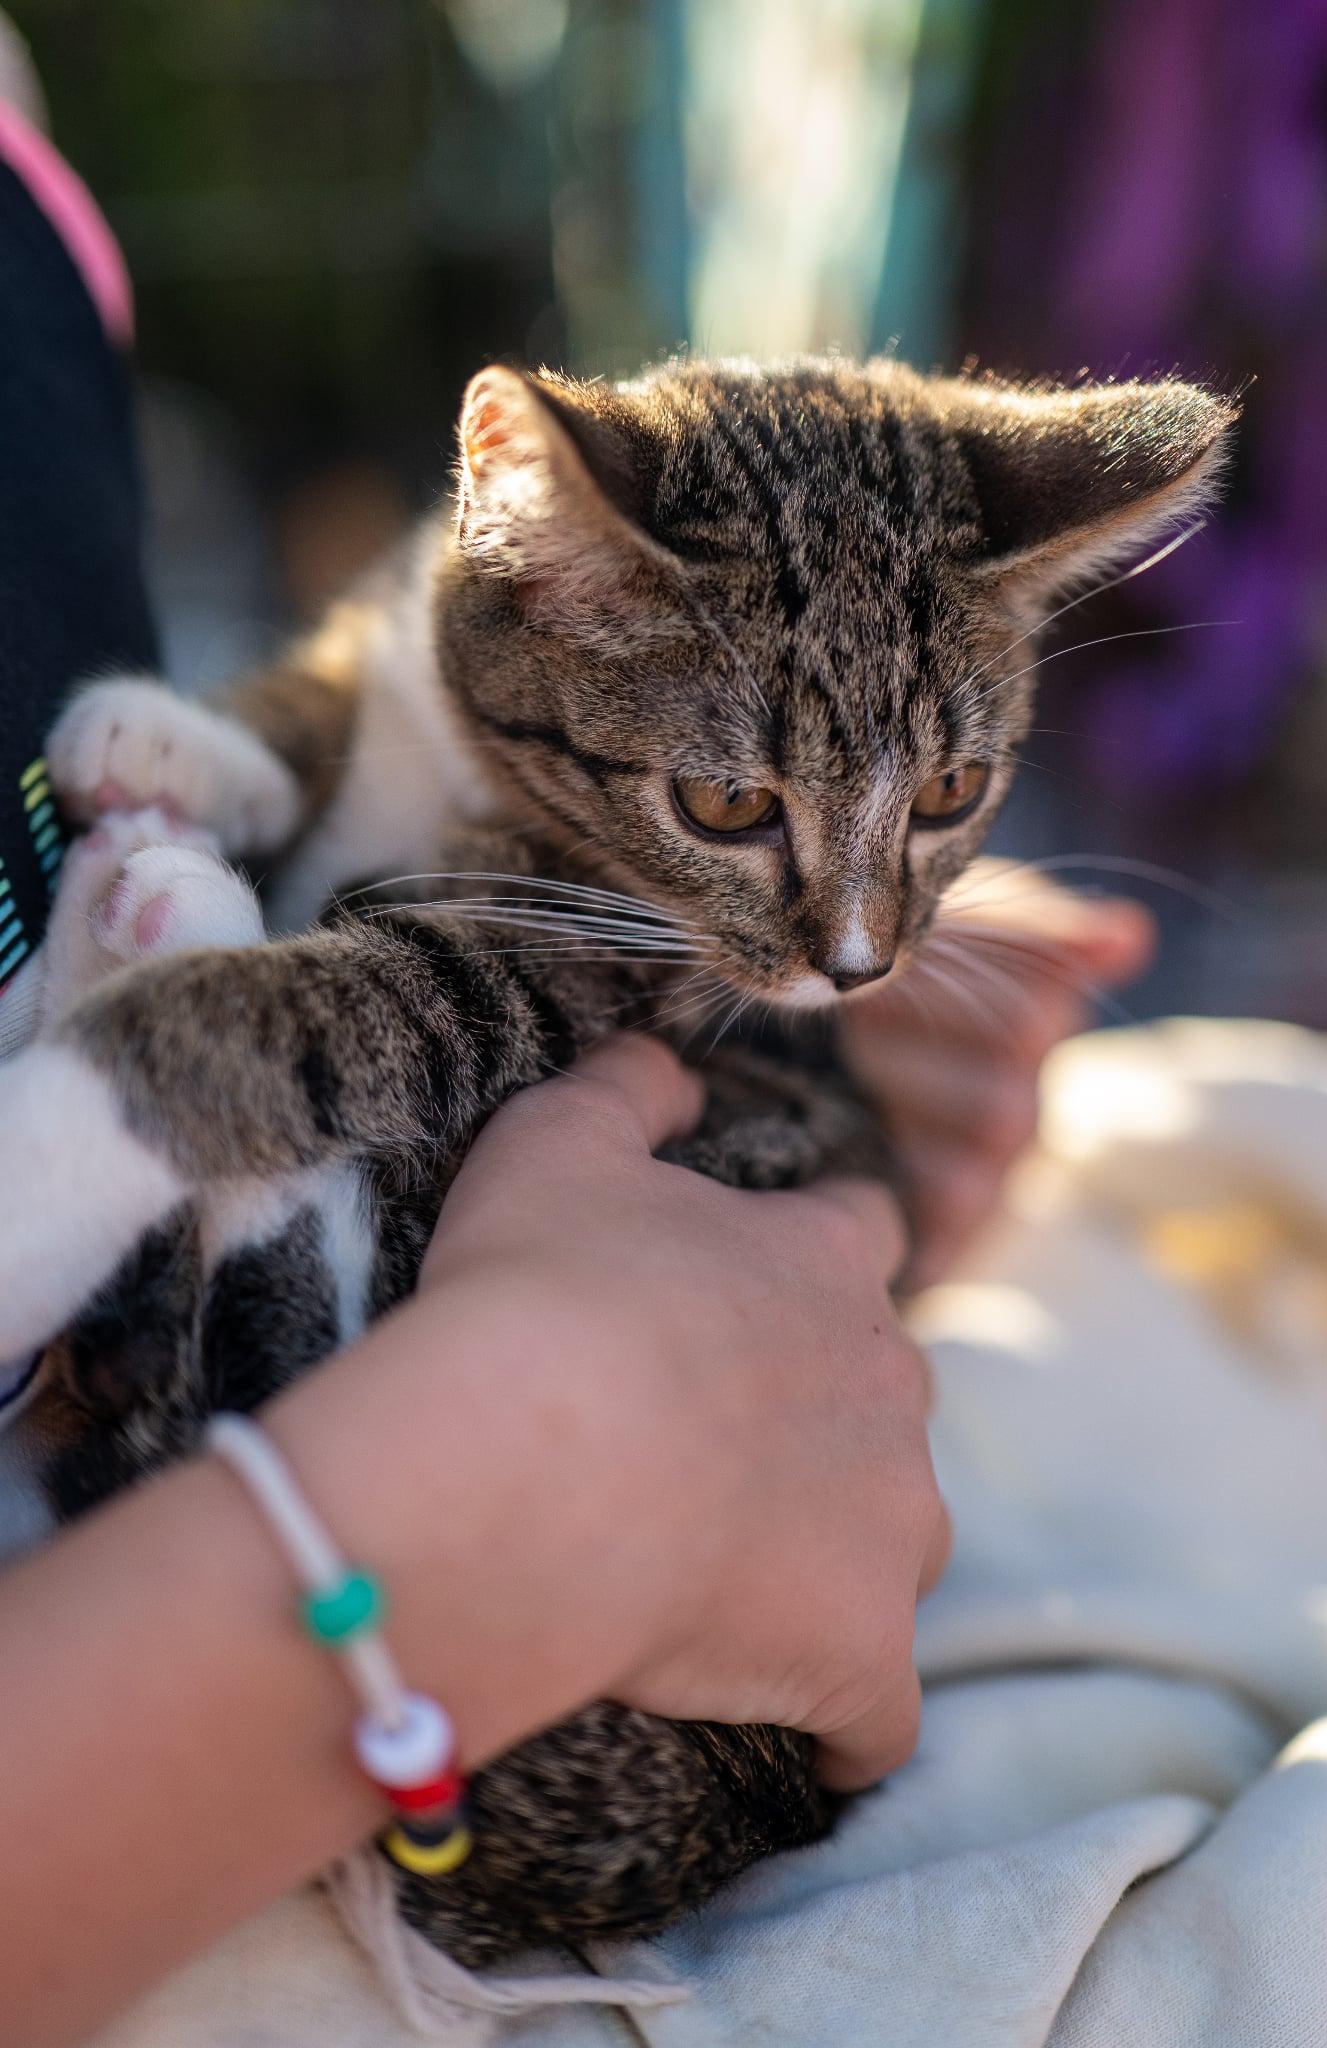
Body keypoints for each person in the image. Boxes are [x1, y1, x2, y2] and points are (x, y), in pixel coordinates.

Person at [0, 67, 1151, 2048]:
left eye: (949, 799)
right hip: (403, 1603)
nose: (857, 947)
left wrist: (874, 986)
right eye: (742, 816)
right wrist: (518, 1464)